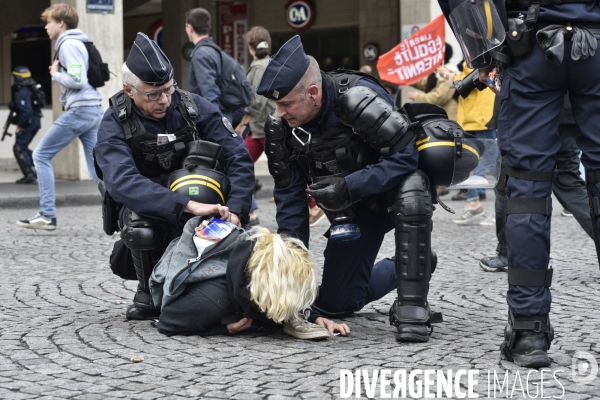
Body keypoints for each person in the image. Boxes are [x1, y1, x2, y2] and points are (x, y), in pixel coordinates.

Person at [255, 35, 449, 343]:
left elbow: (406, 156)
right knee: (335, 304)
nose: (279, 112)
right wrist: (290, 273)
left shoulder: (360, 98)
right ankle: (409, 265)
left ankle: (413, 300)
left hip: (388, 197)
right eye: (276, 105)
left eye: (286, 103)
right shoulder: (283, 128)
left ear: (313, 93)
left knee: (414, 186)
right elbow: (290, 198)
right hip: (351, 213)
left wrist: (349, 186)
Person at [439, 0, 600, 368]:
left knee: (526, 187)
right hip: (595, 41)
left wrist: (481, 57)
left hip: (530, 46)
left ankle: (529, 333)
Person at [94, 32, 254, 321]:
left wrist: (238, 209)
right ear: (129, 90)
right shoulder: (114, 122)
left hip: (202, 197)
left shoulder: (192, 107)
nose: (165, 100)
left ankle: (212, 279)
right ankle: (148, 291)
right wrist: (186, 206)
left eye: (168, 89)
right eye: (153, 94)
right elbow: (121, 181)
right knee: (140, 224)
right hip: (150, 208)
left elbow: (238, 155)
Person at [154, 224, 350, 338]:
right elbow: (168, 322)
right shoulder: (214, 299)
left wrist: (314, 317)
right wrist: (223, 330)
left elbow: (278, 287)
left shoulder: (255, 262)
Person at [480, 94, 593, 271]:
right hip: (567, 110)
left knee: (510, 182)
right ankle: (508, 254)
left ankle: (506, 254)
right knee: (568, 182)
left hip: (526, 112)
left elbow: (493, 70)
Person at [16, 3, 103, 231]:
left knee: (41, 156)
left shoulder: (69, 44)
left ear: (61, 23)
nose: (46, 27)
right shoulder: (78, 42)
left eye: (49, 22)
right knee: (97, 169)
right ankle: (126, 211)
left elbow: (77, 80)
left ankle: (47, 214)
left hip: (81, 110)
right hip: (92, 110)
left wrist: (55, 74)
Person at [234, 26, 276, 226]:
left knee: (239, 165)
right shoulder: (270, 63)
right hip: (263, 129)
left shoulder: (259, 66)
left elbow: (257, 101)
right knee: (240, 164)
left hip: (264, 128)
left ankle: (312, 203)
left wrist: (242, 123)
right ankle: (250, 213)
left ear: (251, 46)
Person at [449, 61, 497, 223]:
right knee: (467, 164)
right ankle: (473, 203)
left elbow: (470, 79)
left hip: (480, 117)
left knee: (493, 165)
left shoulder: (479, 54)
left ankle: (503, 208)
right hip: (473, 117)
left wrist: (449, 77)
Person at [185, 8, 239, 122]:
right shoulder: (216, 51)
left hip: (212, 119)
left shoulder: (200, 54)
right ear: (208, 27)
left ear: (189, 28)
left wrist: (217, 122)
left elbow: (210, 92)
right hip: (225, 113)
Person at [10, 66, 42, 184]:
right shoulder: (29, 89)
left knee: (18, 148)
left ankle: (30, 174)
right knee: (22, 147)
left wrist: (20, 124)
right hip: (34, 121)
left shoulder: (23, 92)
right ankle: (39, 168)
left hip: (29, 123)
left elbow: (27, 112)